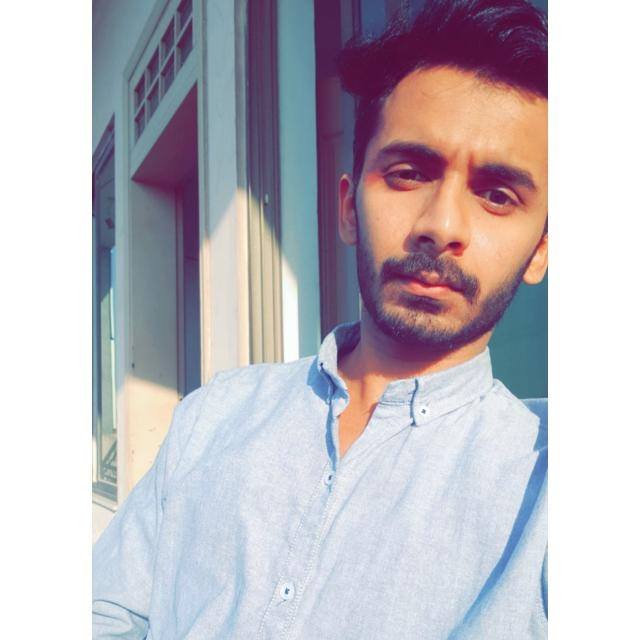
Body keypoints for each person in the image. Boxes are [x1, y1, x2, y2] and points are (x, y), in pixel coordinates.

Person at [93, 0, 548, 637]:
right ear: (348, 208)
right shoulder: (214, 415)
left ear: (542, 250)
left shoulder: (545, 482)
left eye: (498, 194)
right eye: (408, 173)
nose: (441, 225)